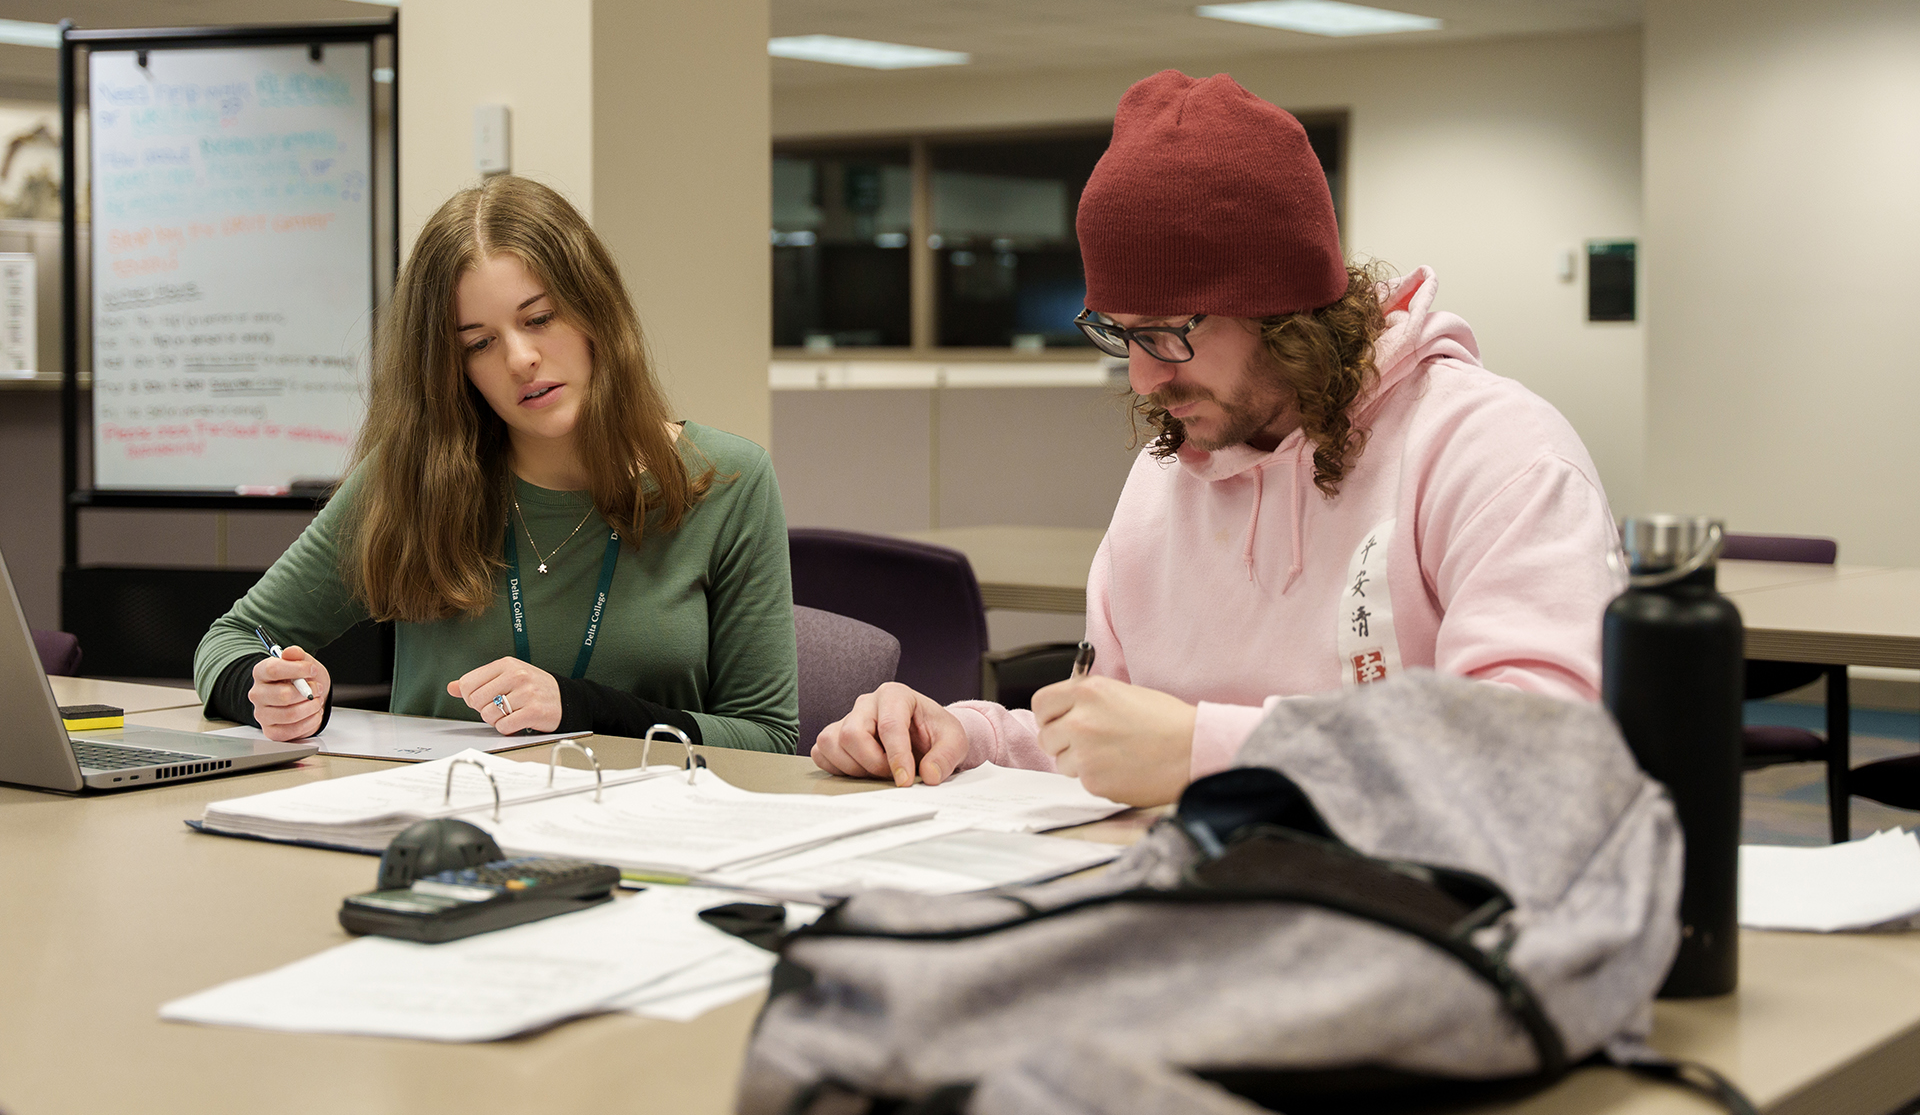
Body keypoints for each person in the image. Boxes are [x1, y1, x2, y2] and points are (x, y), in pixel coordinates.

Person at [812, 69, 1618, 804]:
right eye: (1117, 334)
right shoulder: (1169, 475)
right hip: (1187, 898)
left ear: (1285, 315)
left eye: (1166, 333)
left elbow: (1545, 750)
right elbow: (1113, 742)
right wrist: (969, 737)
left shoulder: (1493, 452)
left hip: (1418, 918)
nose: (1142, 378)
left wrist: (1211, 750)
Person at [193, 175, 798, 751]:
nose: (521, 358)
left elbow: (768, 738)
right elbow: (230, 639)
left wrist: (582, 707)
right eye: (478, 343)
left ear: (596, 311)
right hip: (443, 829)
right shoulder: (414, 478)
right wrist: (268, 693)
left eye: (539, 319)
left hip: (639, 831)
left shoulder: (728, 480)